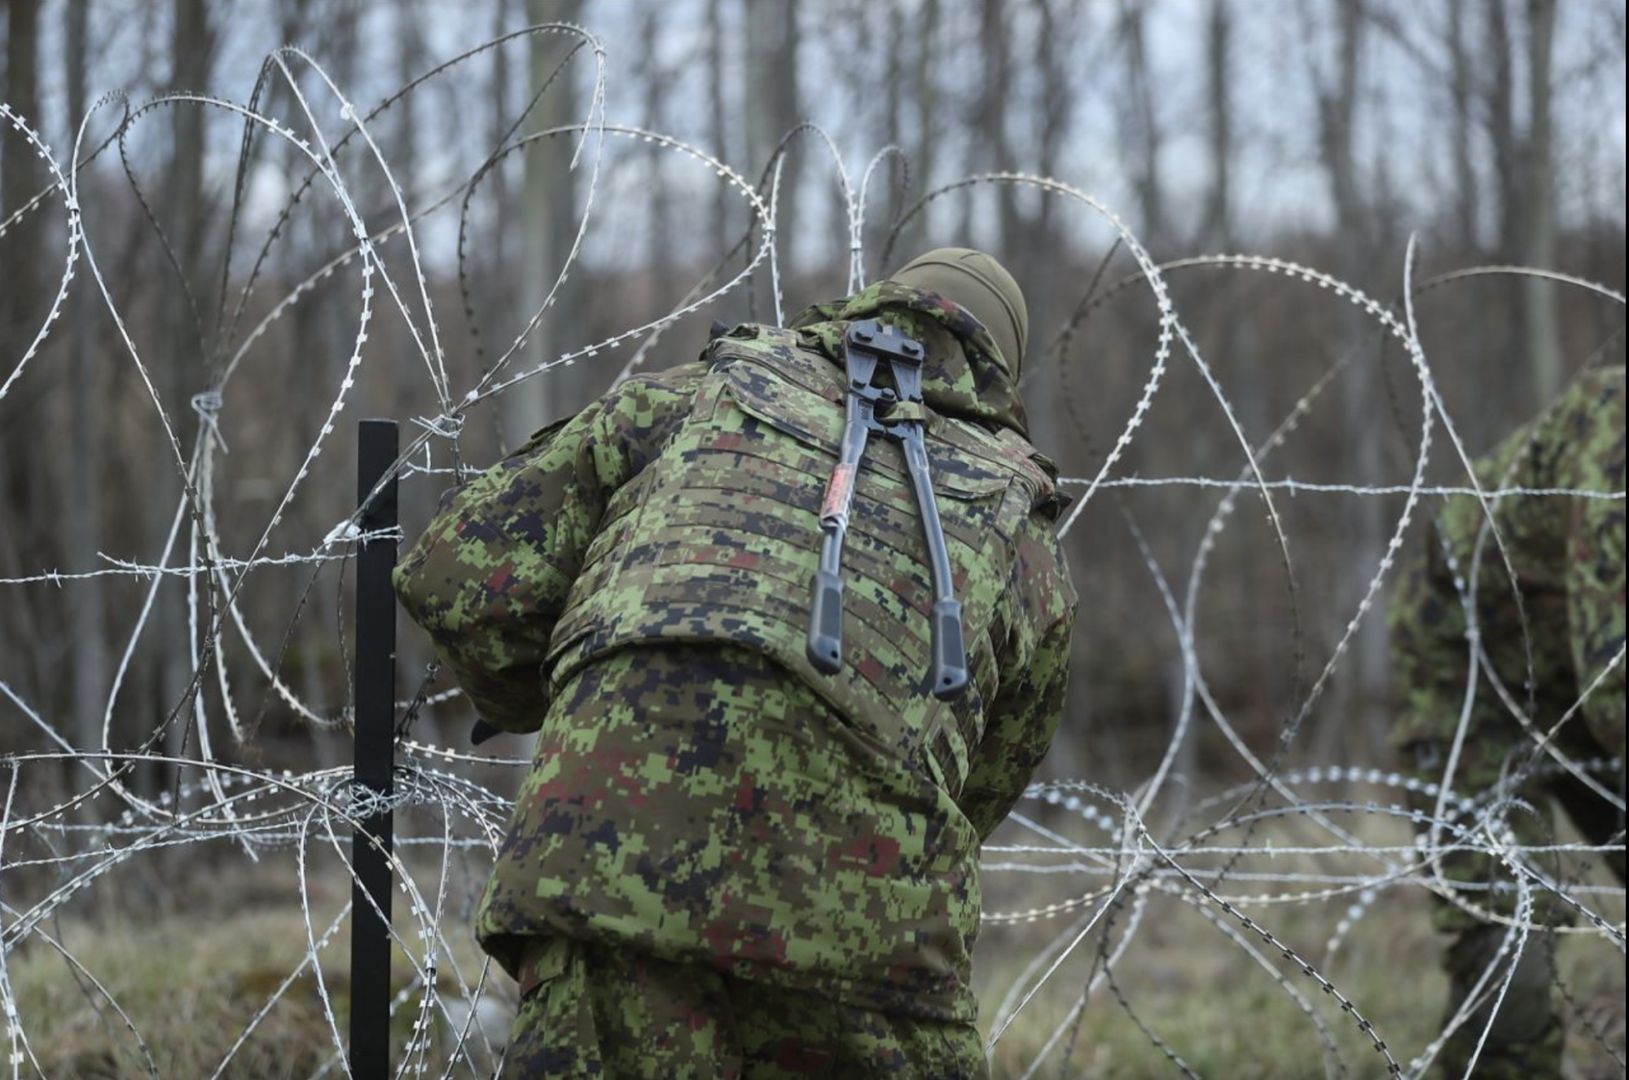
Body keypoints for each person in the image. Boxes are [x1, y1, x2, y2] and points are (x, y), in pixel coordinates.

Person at [393, 248, 1077, 1078]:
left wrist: (570, 683)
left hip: (609, 855)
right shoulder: (1021, 525)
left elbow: (461, 576)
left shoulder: (700, 394)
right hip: (862, 922)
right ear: (997, 365)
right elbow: (985, 782)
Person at [1388, 365, 1625, 1079]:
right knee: (1510, 947)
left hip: (1580, 684)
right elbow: (1615, 691)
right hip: (1469, 672)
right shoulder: (1613, 442)